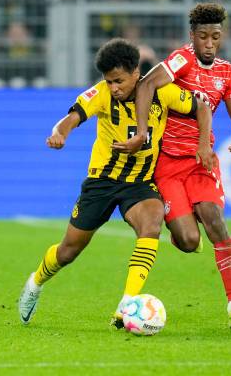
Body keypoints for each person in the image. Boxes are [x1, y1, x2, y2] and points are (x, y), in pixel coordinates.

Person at [18, 38, 211, 326]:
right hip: (102, 182)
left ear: (136, 73)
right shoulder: (102, 94)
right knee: (69, 250)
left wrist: (203, 143)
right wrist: (61, 133)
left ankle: (126, 303)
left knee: (152, 221)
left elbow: (201, 107)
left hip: (139, 183)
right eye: (109, 81)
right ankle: (34, 283)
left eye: (118, 81)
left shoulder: (163, 92)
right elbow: (71, 117)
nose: (113, 88)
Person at [113, 3, 231, 329]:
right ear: (192, 36)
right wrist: (144, 130)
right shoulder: (182, 60)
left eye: (215, 37)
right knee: (189, 241)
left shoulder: (227, 73)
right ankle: (182, 229)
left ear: (221, 37)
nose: (208, 42)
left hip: (201, 162)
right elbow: (146, 84)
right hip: (168, 166)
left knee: (214, 217)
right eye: (202, 36)